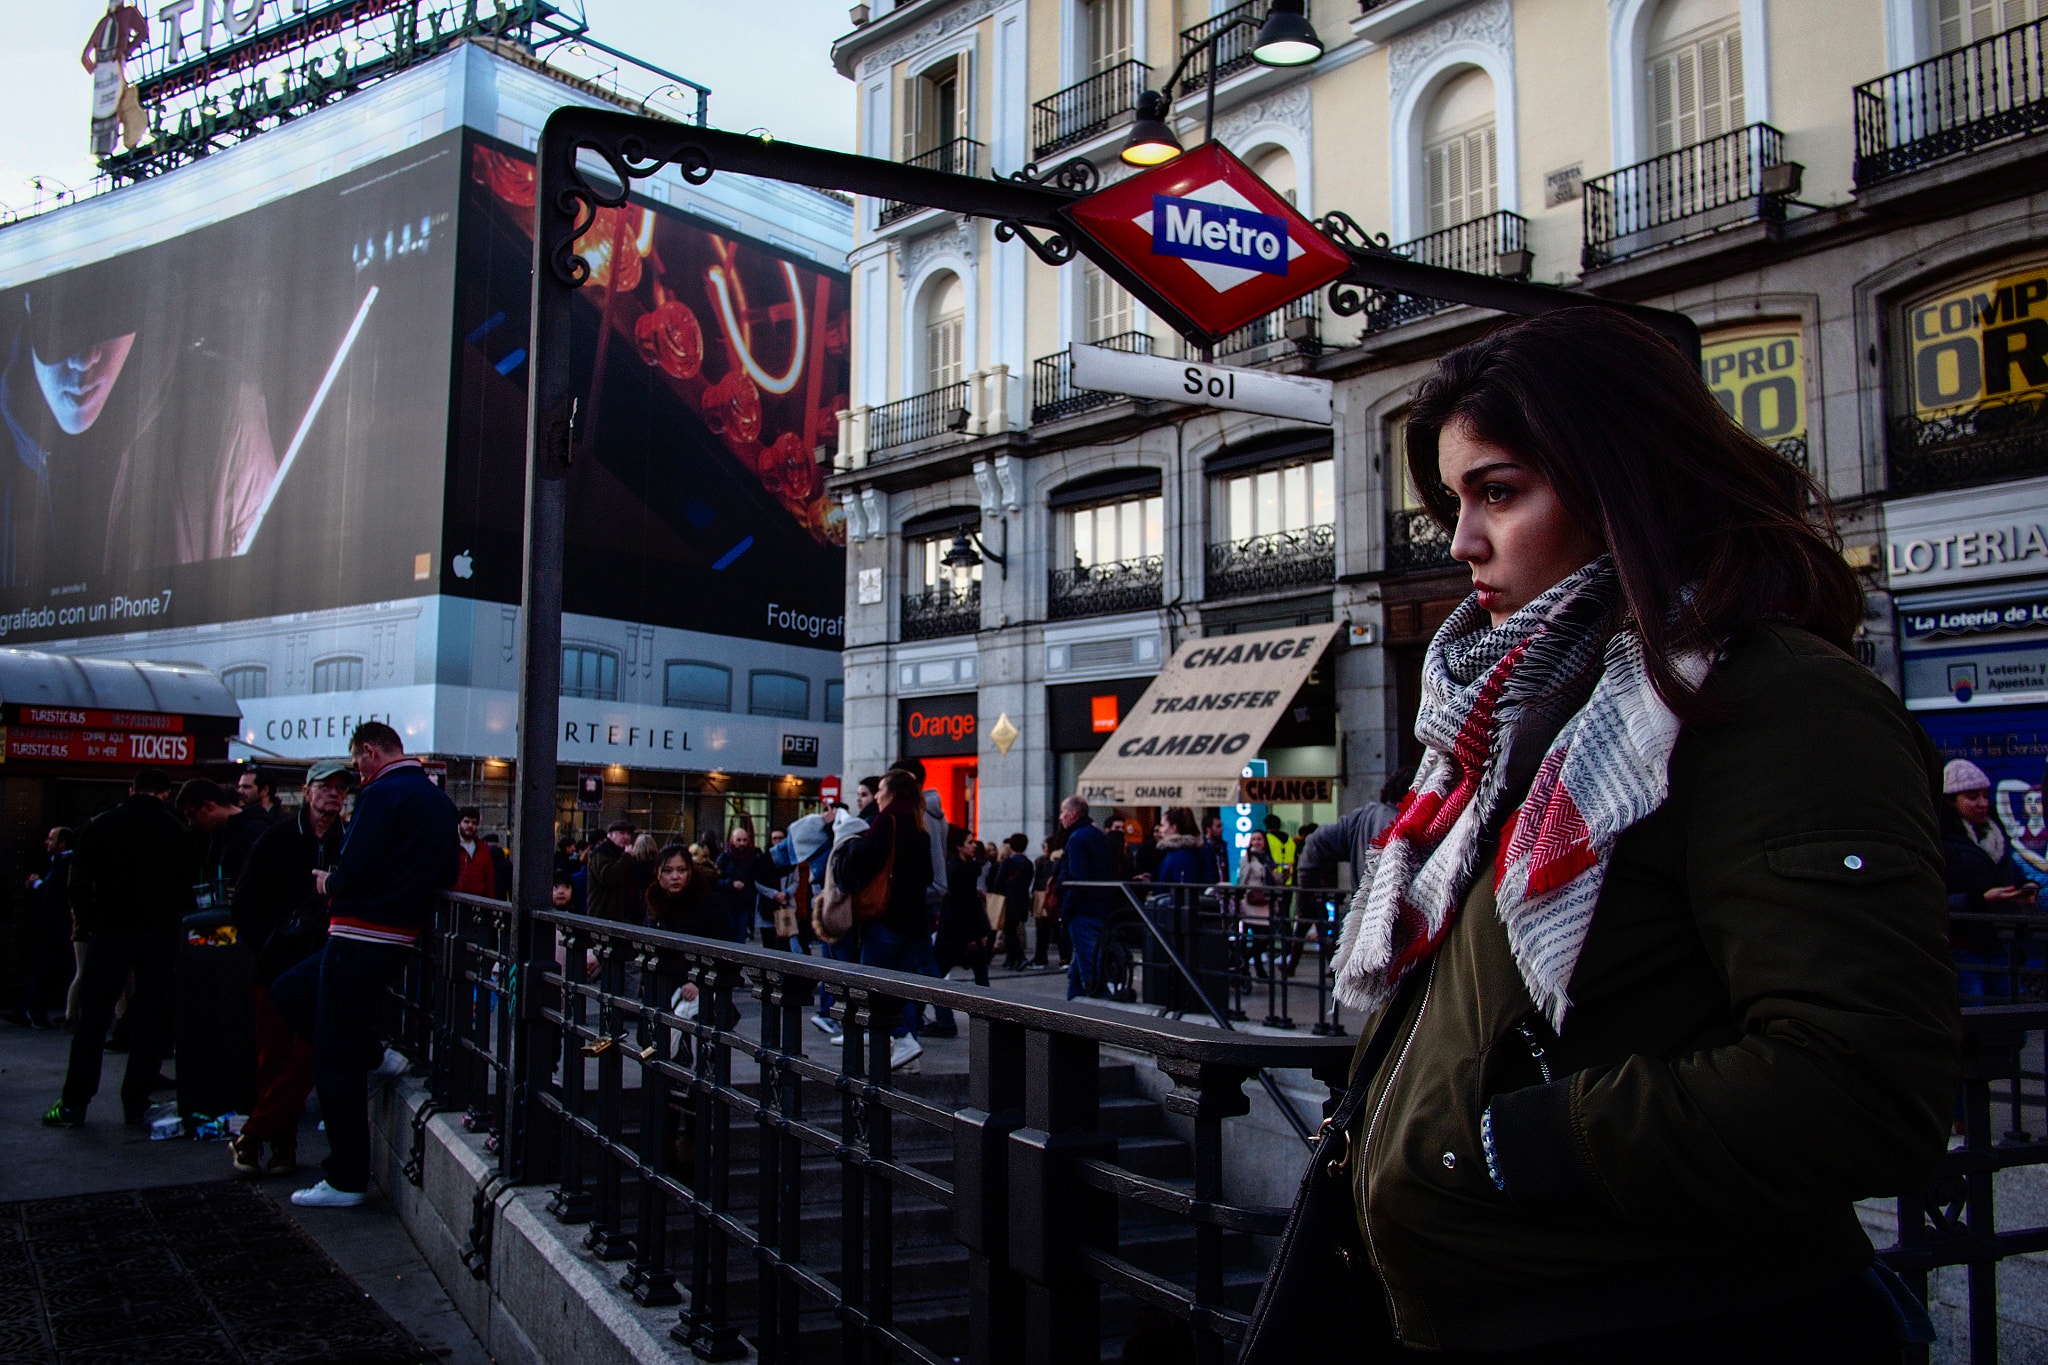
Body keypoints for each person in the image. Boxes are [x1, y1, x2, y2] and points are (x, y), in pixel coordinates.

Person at [1287, 309, 1955, 1363]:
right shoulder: (1514, 723)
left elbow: (1861, 1082)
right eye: (1454, 502)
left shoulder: (1768, 701)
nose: (1461, 542)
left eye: (1497, 493)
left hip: (1673, 1323)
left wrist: (1501, 1145)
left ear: (1623, 485)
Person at [272, 722, 458, 1208]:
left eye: (357, 763)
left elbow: (354, 870)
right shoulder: (439, 801)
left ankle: (346, 1177)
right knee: (292, 992)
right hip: (398, 936)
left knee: (334, 1055)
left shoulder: (381, 794)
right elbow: (447, 873)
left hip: (357, 933)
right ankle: (375, 1055)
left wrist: (327, 884)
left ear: (370, 752)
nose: (357, 773)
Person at [44, 766, 190, 1126]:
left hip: (110, 932)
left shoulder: (100, 825)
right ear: (166, 793)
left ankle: (74, 1103)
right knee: (149, 1021)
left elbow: (77, 884)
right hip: (158, 935)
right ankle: (136, 1103)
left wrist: (92, 920)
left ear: (131, 790)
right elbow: (187, 886)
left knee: (93, 1020)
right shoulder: (175, 830)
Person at [227, 758, 351, 1179]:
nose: (334, 793)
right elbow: (243, 902)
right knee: (273, 1056)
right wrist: (270, 942)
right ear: (307, 791)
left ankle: (254, 1135)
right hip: (276, 965)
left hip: (324, 965)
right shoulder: (276, 838)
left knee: (309, 1053)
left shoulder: (348, 842)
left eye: (341, 788)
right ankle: (282, 1146)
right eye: (326, 786)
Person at [840, 769, 936, 1070]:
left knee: (869, 982)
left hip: (887, 919)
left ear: (892, 792)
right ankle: (905, 1050)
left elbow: (868, 865)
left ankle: (902, 1039)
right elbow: (928, 876)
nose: (877, 795)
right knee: (899, 989)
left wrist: (853, 847)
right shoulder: (919, 825)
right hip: (915, 922)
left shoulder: (887, 821)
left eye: (880, 789)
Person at [1940, 758, 2038, 1003]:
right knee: (1976, 1019)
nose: (1982, 803)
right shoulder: (1941, 841)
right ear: (1951, 801)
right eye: (1972, 797)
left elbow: (2009, 873)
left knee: (2008, 1022)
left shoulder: (1996, 836)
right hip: (1963, 947)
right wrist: (1980, 899)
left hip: (2001, 944)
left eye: (1985, 795)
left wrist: (2027, 886)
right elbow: (1936, 896)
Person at [1296, 768, 1417, 894]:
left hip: (1366, 907)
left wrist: (1308, 893)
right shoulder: (1409, 822)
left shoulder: (1363, 818)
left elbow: (1315, 841)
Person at [6, 827, 74, 1029]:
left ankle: (33, 1009)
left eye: (51, 839)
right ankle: (29, 1008)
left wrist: (38, 885)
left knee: (46, 968)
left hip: (55, 927)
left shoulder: (64, 865)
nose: (47, 842)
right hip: (53, 927)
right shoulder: (61, 863)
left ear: (62, 843)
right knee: (45, 967)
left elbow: (55, 894)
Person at [1055, 796, 1117, 1001]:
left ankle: (1095, 1015)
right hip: (1101, 906)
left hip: (1084, 910)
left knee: (1090, 969)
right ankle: (1071, 1009)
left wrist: (1066, 911)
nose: (1061, 817)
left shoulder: (1077, 838)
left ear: (1073, 814)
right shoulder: (1096, 835)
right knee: (1080, 967)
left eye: (1064, 812)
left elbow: (1078, 878)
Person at [181, 777, 267, 893]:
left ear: (208, 806)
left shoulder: (254, 832)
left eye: (191, 815)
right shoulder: (218, 833)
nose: (190, 823)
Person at [935, 827, 993, 988]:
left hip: (964, 932)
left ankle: (984, 1010)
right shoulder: (958, 872)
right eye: (969, 842)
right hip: (959, 933)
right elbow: (961, 907)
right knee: (937, 973)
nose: (974, 846)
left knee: (980, 973)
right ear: (959, 847)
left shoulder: (967, 870)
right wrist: (971, 937)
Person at [714, 825, 778, 945]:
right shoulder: (724, 859)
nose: (742, 843)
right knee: (727, 937)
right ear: (732, 840)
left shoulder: (753, 858)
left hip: (745, 904)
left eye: (744, 840)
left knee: (740, 938)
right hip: (727, 903)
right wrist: (731, 884)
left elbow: (757, 879)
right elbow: (715, 881)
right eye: (739, 840)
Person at [989, 833, 1036, 971]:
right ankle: (1012, 960)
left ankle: (1020, 958)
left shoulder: (1008, 862)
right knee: (1013, 929)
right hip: (1022, 900)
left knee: (1009, 931)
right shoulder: (1028, 863)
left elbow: (998, 882)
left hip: (1008, 900)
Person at [585, 820, 639, 923]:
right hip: (603, 915)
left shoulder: (623, 854)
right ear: (610, 835)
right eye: (622, 833)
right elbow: (608, 877)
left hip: (622, 916)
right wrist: (626, 858)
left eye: (628, 834)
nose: (626, 837)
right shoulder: (601, 853)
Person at [453, 807, 498, 898]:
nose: (470, 826)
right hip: (451, 902)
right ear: (459, 823)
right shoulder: (450, 845)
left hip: (475, 903)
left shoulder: (483, 849)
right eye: (466, 821)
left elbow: (489, 879)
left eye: (474, 823)